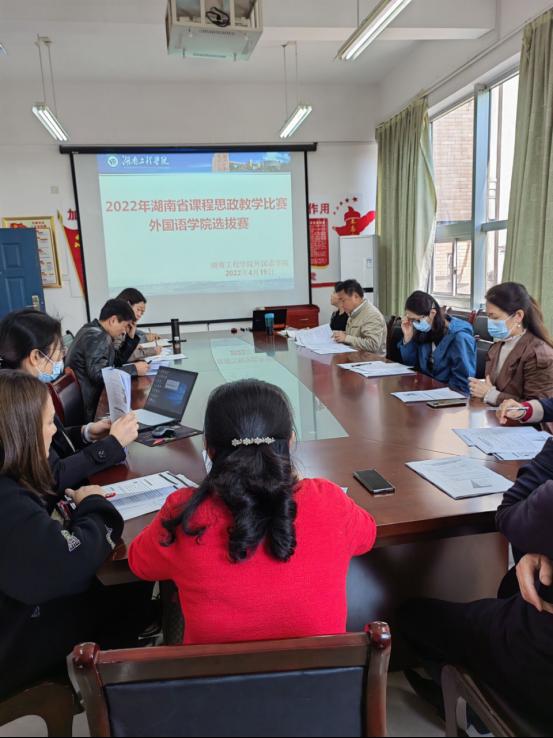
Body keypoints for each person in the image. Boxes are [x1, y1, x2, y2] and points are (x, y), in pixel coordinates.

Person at [128, 379, 376, 645]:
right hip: (325, 673)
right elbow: (368, 535)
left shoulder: (184, 513)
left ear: (208, 448)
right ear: (290, 441)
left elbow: (140, 563)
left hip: (214, 674)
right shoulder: (328, 500)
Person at [397, 435, 553, 728]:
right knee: (510, 584)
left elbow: (510, 512)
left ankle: (471, 711)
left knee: (410, 615)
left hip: (539, 658)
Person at [0, 371, 126, 698]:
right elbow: (68, 563)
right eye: (48, 423)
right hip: (14, 642)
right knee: (122, 591)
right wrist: (94, 504)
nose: (54, 431)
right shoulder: (8, 501)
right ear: (21, 432)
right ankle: (118, 690)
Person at [0, 309, 138, 494]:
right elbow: (52, 475)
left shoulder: (24, 390)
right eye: (58, 350)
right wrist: (113, 444)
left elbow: (54, 441)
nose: (62, 357)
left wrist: (87, 432)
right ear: (35, 357)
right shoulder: (16, 404)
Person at [469, 282, 553, 406]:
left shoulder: (538, 353)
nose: (490, 322)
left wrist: (490, 394)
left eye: (495, 318)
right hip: (495, 414)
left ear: (518, 316)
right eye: (488, 317)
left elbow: (536, 407)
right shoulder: (498, 346)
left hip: (520, 419)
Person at [66, 299, 149, 422]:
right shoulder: (97, 336)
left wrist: (130, 338)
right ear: (113, 320)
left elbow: (115, 361)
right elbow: (99, 375)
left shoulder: (92, 330)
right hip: (90, 407)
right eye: (124, 326)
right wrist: (134, 369)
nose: (124, 331)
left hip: (83, 401)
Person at [398, 291, 476, 395]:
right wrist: (408, 337)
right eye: (410, 320)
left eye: (416, 320)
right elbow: (410, 364)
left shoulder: (460, 337)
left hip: (449, 396)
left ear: (432, 313)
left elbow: (463, 383)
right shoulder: (425, 331)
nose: (414, 323)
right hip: (427, 391)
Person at [332, 279, 387, 355]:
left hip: (371, 360)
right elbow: (357, 335)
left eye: (343, 301)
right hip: (355, 357)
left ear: (355, 296)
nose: (341, 304)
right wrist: (341, 335)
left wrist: (346, 338)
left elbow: (373, 345)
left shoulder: (372, 315)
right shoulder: (353, 312)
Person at [116, 288, 162, 361]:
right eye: (138, 310)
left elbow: (123, 351)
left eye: (142, 313)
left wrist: (145, 335)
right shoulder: (116, 324)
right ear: (128, 305)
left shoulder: (127, 323)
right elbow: (121, 357)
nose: (139, 315)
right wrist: (152, 351)